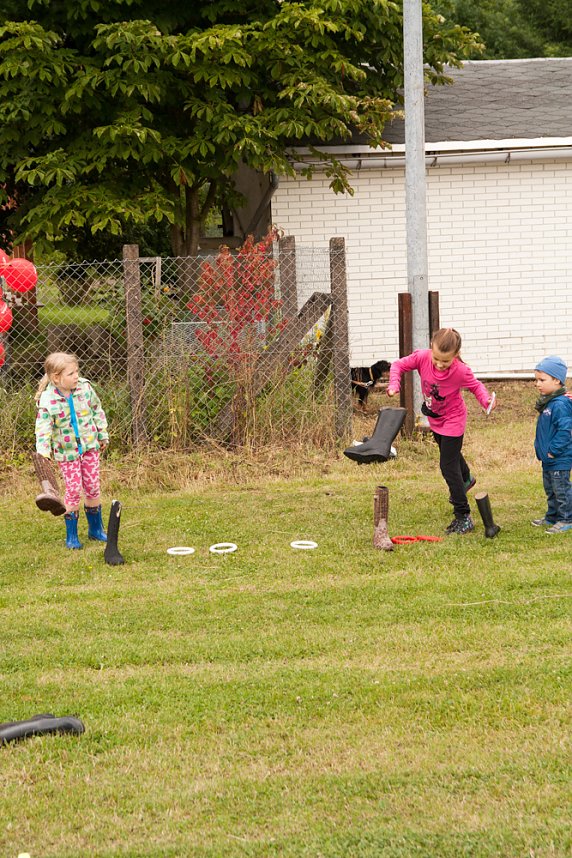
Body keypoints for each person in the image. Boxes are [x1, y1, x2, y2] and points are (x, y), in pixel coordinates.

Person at [387, 328, 495, 535]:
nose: (439, 363)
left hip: (454, 419)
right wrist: (394, 384)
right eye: (436, 358)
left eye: (445, 361)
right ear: (431, 349)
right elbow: (398, 365)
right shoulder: (422, 357)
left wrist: (486, 400)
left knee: (447, 465)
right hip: (435, 418)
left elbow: (476, 387)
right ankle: (466, 479)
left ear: (455, 356)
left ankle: (463, 516)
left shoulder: (461, 370)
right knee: (450, 454)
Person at [35, 352, 109, 549]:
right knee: (74, 490)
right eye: (71, 373)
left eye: (77, 371)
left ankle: (96, 530)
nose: (76, 376)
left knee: (93, 486)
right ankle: (72, 536)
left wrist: (102, 434)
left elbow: (97, 410)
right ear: (56, 378)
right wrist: (43, 452)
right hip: (66, 453)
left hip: (90, 447)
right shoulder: (48, 400)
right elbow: (43, 429)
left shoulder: (85, 388)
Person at [531, 355, 572, 534]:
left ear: (556, 380)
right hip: (548, 458)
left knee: (561, 489)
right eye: (536, 380)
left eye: (542, 380)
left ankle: (566, 518)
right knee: (551, 489)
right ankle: (552, 516)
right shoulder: (549, 403)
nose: (537, 384)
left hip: (559, 457)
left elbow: (566, 431)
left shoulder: (561, 404)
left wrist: (553, 451)